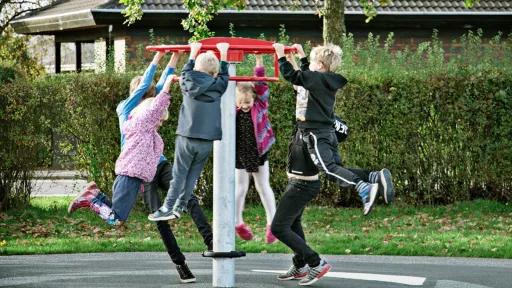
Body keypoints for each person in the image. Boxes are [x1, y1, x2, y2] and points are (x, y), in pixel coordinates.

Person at [69, 52, 213, 283]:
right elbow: (147, 84)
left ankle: (211, 240)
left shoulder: (148, 104)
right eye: (144, 92)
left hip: (158, 163)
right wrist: (158, 56)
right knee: (160, 220)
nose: (148, 94)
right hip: (139, 171)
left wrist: (175, 57)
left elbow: (159, 85)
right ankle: (181, 265)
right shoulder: (126, 108)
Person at [274, 43, 394, 215]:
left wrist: (280, 56)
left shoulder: (315, 79)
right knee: (338, 168)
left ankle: (364, 188)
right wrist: (301, 57)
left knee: (329, 169)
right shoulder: (324, 80)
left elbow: (292, 76)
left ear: (321, 65)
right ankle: (373, 177)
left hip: (315, 134)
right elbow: (306, 75)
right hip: (328, 133)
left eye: (314, 62)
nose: (310, 66)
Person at [68, 73, 174, 226]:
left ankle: (95, 193)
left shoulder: (144, 129)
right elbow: (158, 105)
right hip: (128, 176)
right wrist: (169, 83)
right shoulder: (142, 124)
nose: (160, 123)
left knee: (115, 213)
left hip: (131, 177)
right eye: (159, 120)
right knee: (116, 220)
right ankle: (89, 199)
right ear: (150, 117)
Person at [149, 42, 230, 221]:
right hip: (207, 139)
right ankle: (181, 205)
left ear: (195, 68)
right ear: (214, 73)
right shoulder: (218, 85)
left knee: (179, 174)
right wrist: (224, 54)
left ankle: (167, 207)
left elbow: (186, 70)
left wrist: (193, 52)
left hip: (187, 135)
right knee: (193, 174)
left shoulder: (187, 80)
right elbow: (224, 76)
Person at [270, 125, 331, 286]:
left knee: (278, 227)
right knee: (293, 222)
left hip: (303, 185)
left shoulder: (317, 127)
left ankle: (316, 263)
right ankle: (299, 265)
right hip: (296, 183)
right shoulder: (302, 125)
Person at [234, 55, 277, 244]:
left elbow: (261, 84)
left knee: (262, 186)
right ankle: (237, 223)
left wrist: (259, 62)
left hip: (259, 151)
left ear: (254, 99)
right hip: (240, 153)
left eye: (247, 102)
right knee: (240, 187)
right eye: (241, 102)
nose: (244, 106)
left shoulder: (260, 104)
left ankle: (272, 223)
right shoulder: (232, 109)